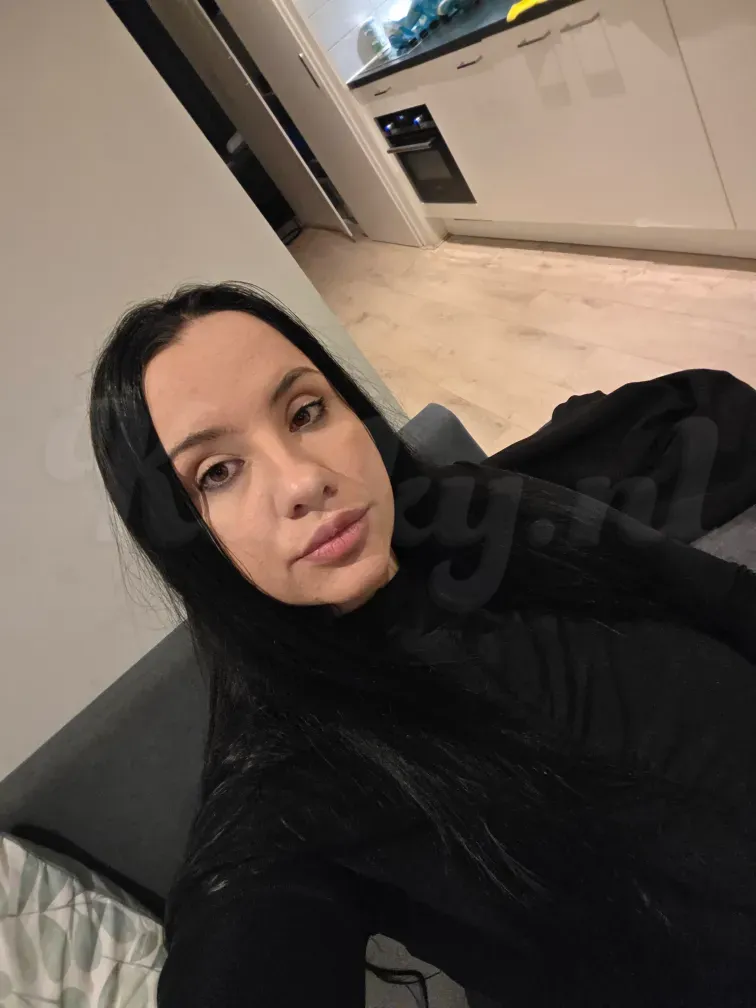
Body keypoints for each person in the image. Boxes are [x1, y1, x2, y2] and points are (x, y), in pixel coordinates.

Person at [89, 282, 756, 1008]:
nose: (304, 480)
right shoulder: (289, 792)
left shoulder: (480, 506)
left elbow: (713, 594)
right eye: (218, 472)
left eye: (306, 412)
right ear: (185, 541)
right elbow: (244, 923)